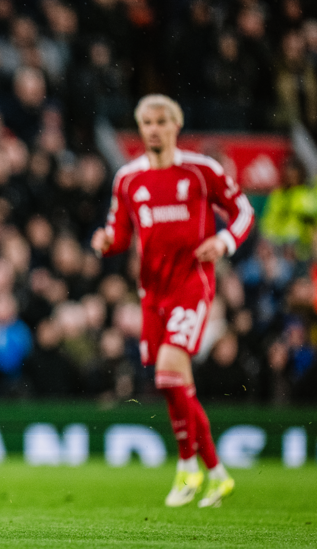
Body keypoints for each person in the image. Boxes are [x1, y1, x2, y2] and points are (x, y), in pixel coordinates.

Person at [91, 94, 254, 508]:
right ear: (140, 128)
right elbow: (121, 234)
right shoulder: (128, 179)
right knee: (176, 386)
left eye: (162, 121)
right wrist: (106, 242)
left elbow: (243, 212)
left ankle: (187, 467)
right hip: (152, 295)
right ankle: (216, 473)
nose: (154, 128)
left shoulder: (201, 171)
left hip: (191, 287)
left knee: (168, 373)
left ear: (176, 126)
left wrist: (223, 240)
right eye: (147, 122)